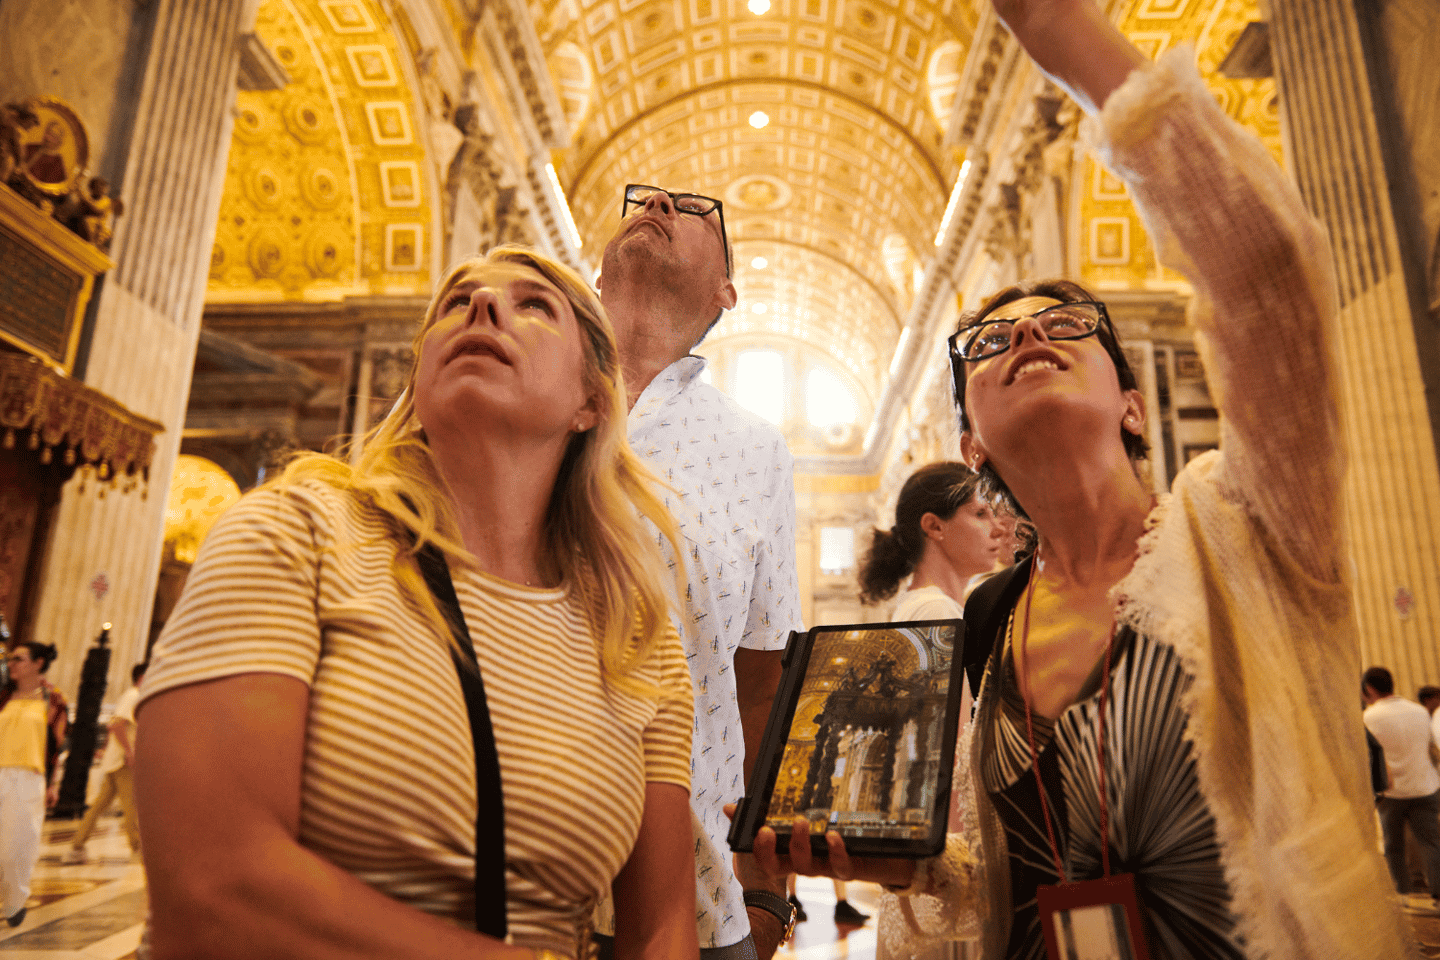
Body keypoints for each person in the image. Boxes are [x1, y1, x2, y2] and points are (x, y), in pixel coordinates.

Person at [749, 0, 1415, 957]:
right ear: (970, 441)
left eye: (1067, 328)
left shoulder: (1250, 521)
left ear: (1134, 405)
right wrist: (908, 867)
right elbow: (1009, 875)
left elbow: (1269, 269)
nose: (1026, 333)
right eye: (991, 340)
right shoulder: (988, 620)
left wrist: (1060, 29)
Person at [135, 246, 698, 960]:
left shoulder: (635, 633)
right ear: (420, 378)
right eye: (454, 304)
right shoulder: (296, 534)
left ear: (591, 401)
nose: (483, 308)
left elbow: (661, 928)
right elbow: (212, 891)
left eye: (533, 304)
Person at [594, 183, 804, 960]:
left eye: (691, 207)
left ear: (726, 290)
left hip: (699, 889)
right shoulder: (527, 383)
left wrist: (765, 887)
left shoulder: (756, 450)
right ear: (598, 272)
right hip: (504, 864)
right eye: (642, 199)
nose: (657, 205)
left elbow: (761, 678)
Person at [858, 462, 1005, 621]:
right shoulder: (936, 609)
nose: (998, 530)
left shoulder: (928, 606)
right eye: (980, 514)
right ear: (934, 527)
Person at [0, 641, 67, 928]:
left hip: (28, 778)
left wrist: (54, 784)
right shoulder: (3, 696)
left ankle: (15, 901)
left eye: (20, 659)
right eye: (11, 659)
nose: (12, 664)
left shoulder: (53, 700)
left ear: (38, 663)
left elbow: (59, 746)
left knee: (17, 845)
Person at [1363, 666, 1440, 910]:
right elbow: (1431, 746)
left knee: (1393, 845)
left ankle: (1403, 893)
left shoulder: (1369, 717)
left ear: (1369, 689)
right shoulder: (1419, 711)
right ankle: (1438, 896)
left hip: (1391, 791)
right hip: (1425, 786)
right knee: (1432, 843)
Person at [62, 661, 147, 864]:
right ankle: (139, 849)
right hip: (123, 761)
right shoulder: (134, 695)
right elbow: (118, 725)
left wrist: (108, 748)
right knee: (132, 805)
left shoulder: (133, 696)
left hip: (116, 759)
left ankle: (77, 845)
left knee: (99, 805)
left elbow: (114, 725)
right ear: (143, 677)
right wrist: (129, 751)